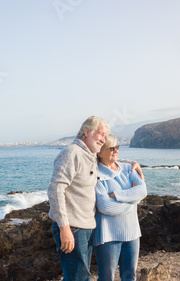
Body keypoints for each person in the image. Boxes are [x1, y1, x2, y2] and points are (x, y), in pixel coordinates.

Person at [47, 116, 142, 281]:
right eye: (101, 134)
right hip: (73, 228)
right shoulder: (72, 153)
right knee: (79, 277)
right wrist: (64, 228)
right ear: (86, 132)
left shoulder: (90, 154)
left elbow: (106, 160)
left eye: (105, 137)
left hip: (85, 228)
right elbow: (56, 189)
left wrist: (132, 162)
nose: (103, 139)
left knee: (81, 277)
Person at [93, 134, 147, 281]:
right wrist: (132, 198)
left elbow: (142, 191)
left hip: (132, 232)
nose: (115, 150)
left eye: (117, 147)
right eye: (111, 148)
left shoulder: (129, 168)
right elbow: (105, 206)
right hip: (107, 235)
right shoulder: (96, 175)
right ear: (99, 152)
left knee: (130, 276)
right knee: (106, 277)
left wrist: (116, 195)